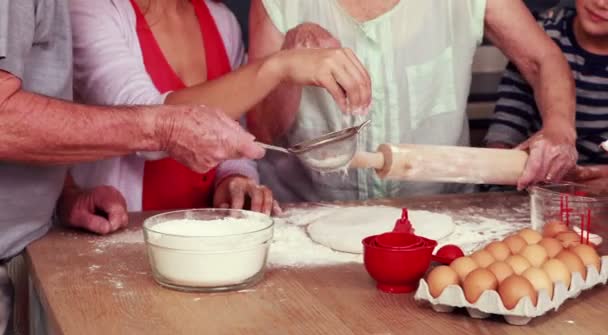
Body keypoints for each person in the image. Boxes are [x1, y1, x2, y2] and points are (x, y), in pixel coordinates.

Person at [0, 0, 267, 335]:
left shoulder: (221, 20)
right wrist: (163, 129)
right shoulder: (90, 10)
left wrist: (65, 192)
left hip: (21, 255)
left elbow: (33, 105)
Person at [247, 0, 579, 203]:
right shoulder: (281, 2)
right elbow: (263, 130)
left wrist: (560, 128)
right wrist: (288, 63)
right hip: (307, 218)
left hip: (439, 218)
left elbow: (542, 59)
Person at [68, 0, 371, 216]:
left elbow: (233, 133)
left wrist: (234, 179)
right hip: (124, 238)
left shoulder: (221, 19)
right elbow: (148, 123)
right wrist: (278, 66)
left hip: (206, 245)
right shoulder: (92, 9)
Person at [486, 0, 608, 185]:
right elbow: (509, 122)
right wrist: (499, 168)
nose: (600, 3)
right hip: (535, 185)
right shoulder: (542, 35)